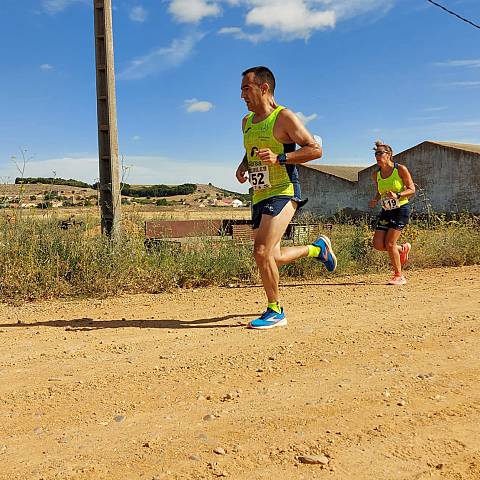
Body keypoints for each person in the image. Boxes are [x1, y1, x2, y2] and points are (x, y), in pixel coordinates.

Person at [235, 66, 336, 330]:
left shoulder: (284, 117)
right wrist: (244, 165)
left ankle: (275, 310)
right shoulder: (246, 122)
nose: (242, 95)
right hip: (260, 193)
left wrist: (281, 158)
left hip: (284, 190)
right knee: (273, 256)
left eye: (246, 88)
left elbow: (315, 149)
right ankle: (317, 249)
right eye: (242, 89)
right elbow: (252, 151)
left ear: (263, 88)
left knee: (261, 251)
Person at [369, 140, 415, 285]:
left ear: (388, 155)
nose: (377, 156)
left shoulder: (400, 169)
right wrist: (375, 199)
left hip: (401, 209)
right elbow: (379, 191)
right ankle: (402, 249)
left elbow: (412, 189)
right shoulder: (376, 174)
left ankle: (399, 275)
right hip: (386, 210)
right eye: (376, 153)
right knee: (377, 244)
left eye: (380, 153)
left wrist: (398, 195)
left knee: (389, 243)